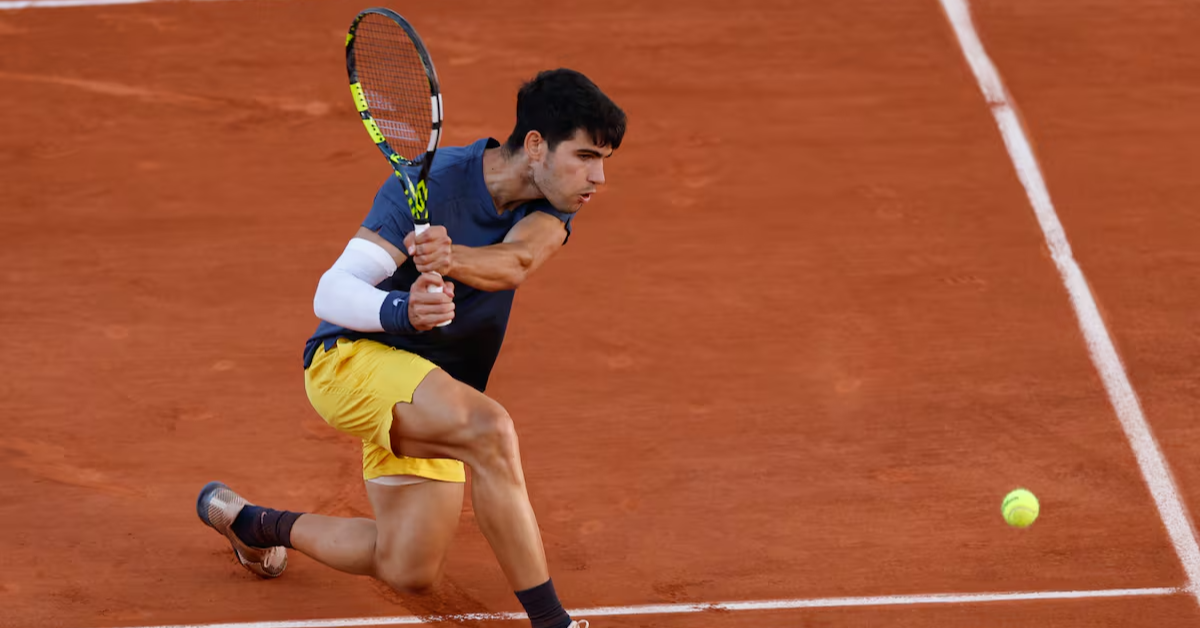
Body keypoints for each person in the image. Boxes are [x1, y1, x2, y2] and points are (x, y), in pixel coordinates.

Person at [196, 68, 626, 628]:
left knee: (408, 568)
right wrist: (400, 311)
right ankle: (553, 622)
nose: (597, 176)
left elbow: (517, 262)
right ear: (538, 146)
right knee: (491, 433)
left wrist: (450, 259)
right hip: (349, 363)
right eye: (587, 156)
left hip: (433, 389)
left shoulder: (552, 201)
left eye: (604, 161)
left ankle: (254, 526)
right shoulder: (429, 184)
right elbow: (331, 292)